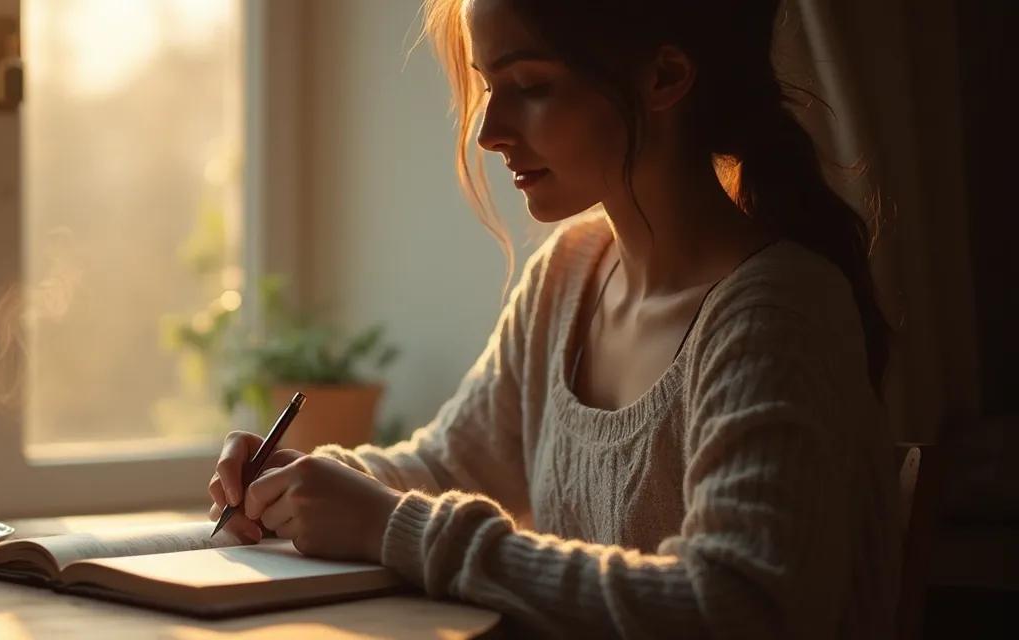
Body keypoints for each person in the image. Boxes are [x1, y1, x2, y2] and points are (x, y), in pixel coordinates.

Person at [206, 0, 898, 636]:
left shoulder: (778, 313)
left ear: (664, 76)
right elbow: (449, 465)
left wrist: (394, 526)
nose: (488, 132)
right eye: (487, 87)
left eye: (531, 87)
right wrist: (299, 483)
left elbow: (735, 606)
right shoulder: (570, 275)